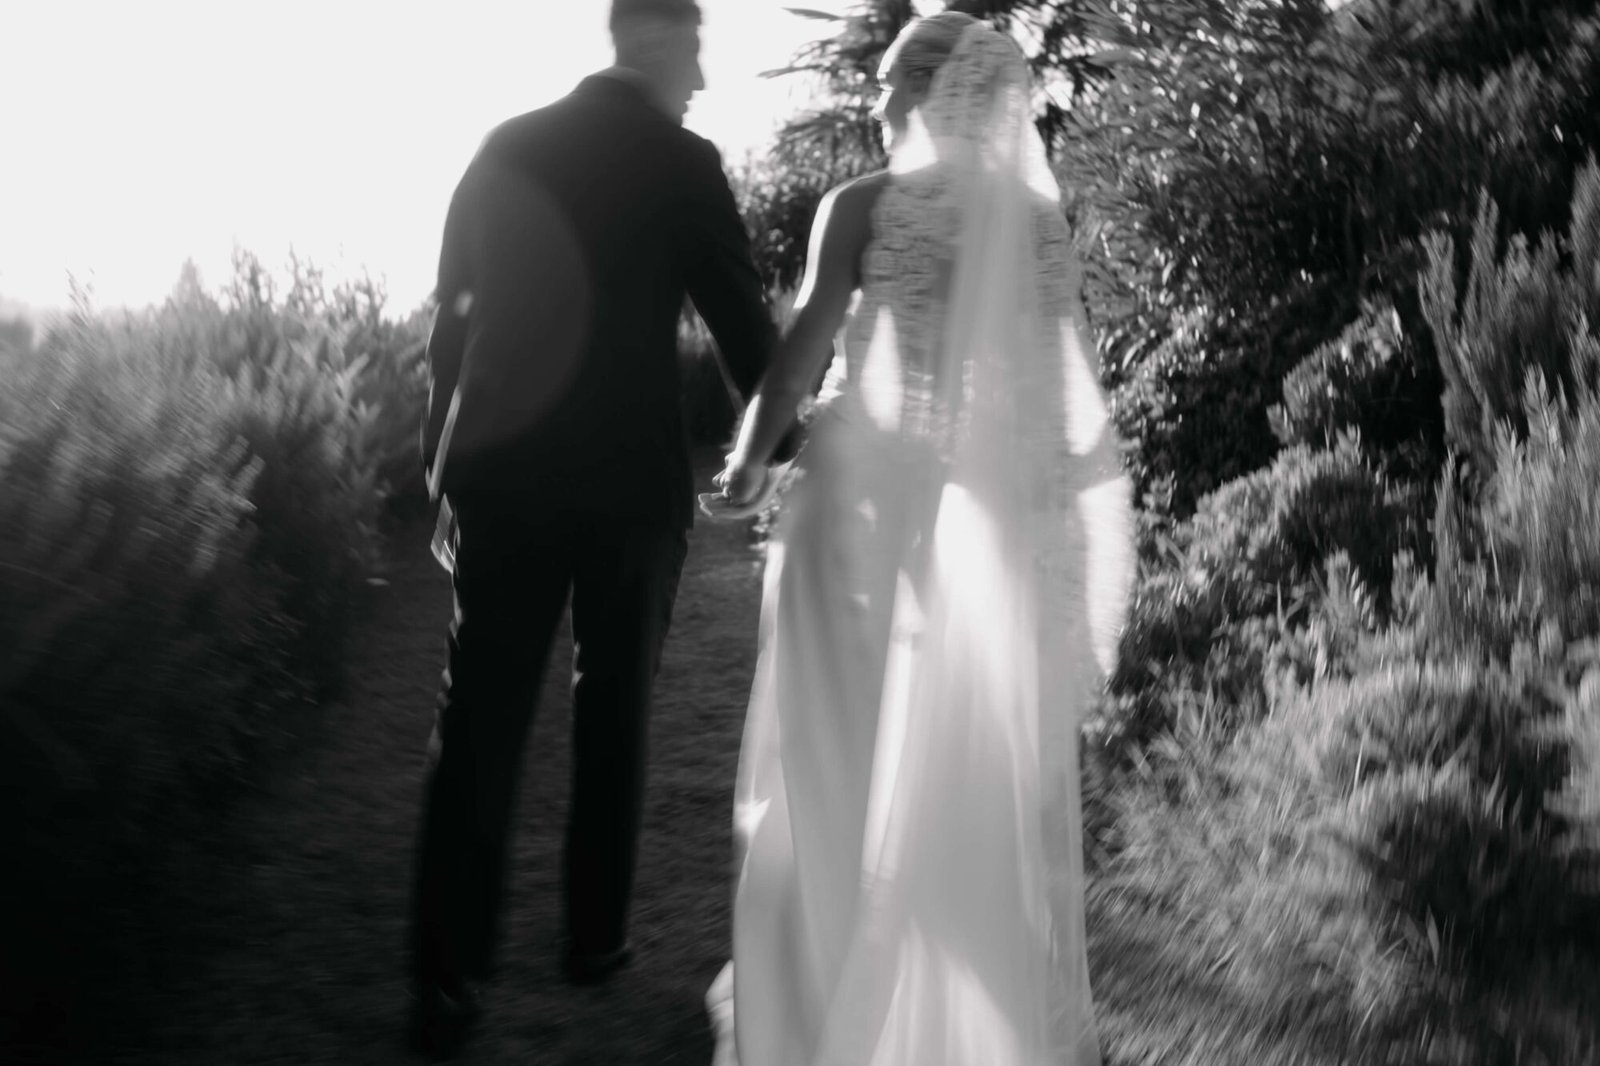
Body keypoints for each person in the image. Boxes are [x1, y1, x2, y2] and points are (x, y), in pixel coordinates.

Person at [704, 12, 1136, 1066]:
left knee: (822, 756)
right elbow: (1057, 389)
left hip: (855, 504)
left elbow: (804, 349)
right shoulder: (1034, 224)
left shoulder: (861, 207)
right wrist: (1061, 506)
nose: (877, 98)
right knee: (954, 763)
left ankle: (815, 1011)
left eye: (892, 81)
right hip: (973, 525)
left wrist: (746, 461)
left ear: (936, 92)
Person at [406, 0, 797, 1057]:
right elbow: (743, 328)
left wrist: (443, 468)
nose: (703, 81)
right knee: (614, 706)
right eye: (700, 53)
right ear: (656, 38)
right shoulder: (683, 162)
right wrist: (793, 442)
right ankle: (592, 937)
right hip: (629, 488)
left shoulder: (505, 144)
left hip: (503, 476)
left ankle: (444, 971)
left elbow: (451, 313)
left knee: (479, 711)